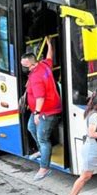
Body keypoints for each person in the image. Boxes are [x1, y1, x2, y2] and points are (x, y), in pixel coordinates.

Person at [20, 37, 62, 181]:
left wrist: (37, 113)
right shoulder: (43, 65)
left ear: (31, 65)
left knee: (43, 138)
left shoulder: (36, 77)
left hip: (46, 112)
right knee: (31, 127)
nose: (22, 68)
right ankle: (41, 151)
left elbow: (40, 97)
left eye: (24, 65)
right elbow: (49, 57)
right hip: (40, 110)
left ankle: (44, 168)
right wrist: (50, 45)